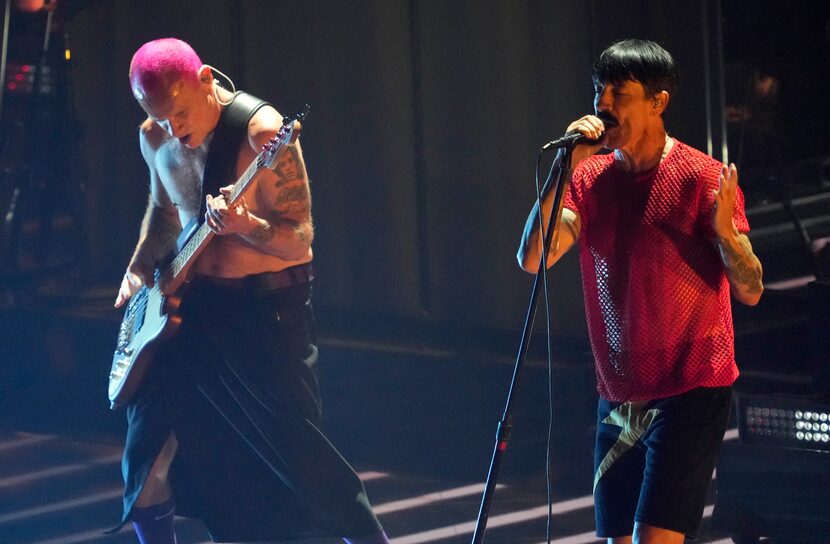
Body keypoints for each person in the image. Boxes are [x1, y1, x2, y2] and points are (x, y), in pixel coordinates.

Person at [112, 38, 389, 544]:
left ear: (205, 79)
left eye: (179, 113)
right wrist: (138, 266)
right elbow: (164, 212)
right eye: (159, 117)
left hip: (266, 312)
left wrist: (246, 224)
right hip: (192, 309)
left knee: (299, 452)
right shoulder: (154, 136)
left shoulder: (262, 134)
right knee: (147, 446)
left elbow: (301, 242)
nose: (175, 130)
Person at [517, 39, 763, 544]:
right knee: (616, 540)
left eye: (618, 91)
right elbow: (533, 257)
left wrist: (725, 234)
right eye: (597, 90)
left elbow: (752, 288)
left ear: (658, 101)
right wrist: (564, 172)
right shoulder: (588, 180)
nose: (602, 103)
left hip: (691, 390)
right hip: (620, 395)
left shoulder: (703, 179)